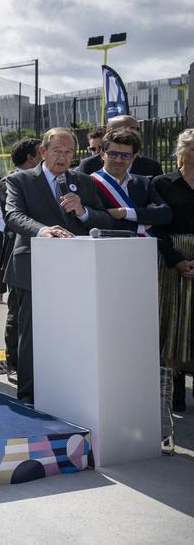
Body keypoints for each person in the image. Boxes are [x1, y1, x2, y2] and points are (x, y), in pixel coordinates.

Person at [4, 127, 111, 403]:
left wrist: (84, 211)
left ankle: (67, 391)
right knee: (31, 334)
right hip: (32, 266)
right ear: (42, 151)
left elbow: (106, 221)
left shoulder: (84, 182)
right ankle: (28, 395)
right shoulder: (20, 180)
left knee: (70, 332)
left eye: (69, 152)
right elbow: (14, 216)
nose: (63, 158)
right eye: (57, 151)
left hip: (75, 270)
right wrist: (43, 231)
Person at [152, 128, 194, 453]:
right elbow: (157, 228)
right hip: (173, 268)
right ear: (181, 150)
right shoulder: (163, 184)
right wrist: (178, 260)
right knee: (172, 332)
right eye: (192, 146)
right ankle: (169, 410)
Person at [0, 138, 42, 384]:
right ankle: (13, 362)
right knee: (17, 313)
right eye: (42, 152)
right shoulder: (11, 182)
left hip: (49, 257)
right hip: (20, 257)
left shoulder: (50, 181)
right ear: (31, 158)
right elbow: (15, 218)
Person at [75, 115, 163, 177]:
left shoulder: (152, 167)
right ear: (109, 133)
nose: (135, 134)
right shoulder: (89, 165)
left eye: (138, 130)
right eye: (129, 130)